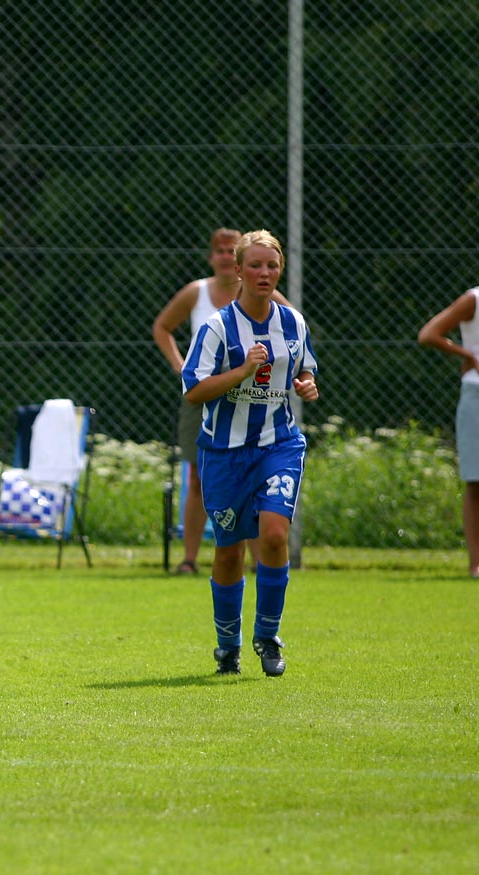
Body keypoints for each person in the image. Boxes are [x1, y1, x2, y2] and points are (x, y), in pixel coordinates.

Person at [182, 230, 319, 677]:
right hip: (224, 453)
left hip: (278, 444)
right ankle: (228, 645)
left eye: (272, 266)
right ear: (237, 270)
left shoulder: (293, 323)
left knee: (275, 536)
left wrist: (306, 385)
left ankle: (268, 635)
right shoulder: (217, 328)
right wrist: (243, 371)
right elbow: (194, 391)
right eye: (255, 265)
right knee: (228, 552)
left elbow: (305, 370)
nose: (264, 273)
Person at [152, 228, 289, 574]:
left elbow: (292, 331)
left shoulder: (265, 293)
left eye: (232, 251)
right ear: (212, 257)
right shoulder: (196, 293)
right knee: (197, 476)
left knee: (255, 476)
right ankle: (189, 558)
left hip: (251, 398)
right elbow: (162, 327)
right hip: (207, 396)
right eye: (221, 251)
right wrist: (181, 367)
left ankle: (260, 560)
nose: (227, 257)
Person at [416, 286, 479, 578]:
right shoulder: (473, 300)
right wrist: (468, 354)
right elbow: (429, 334)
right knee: (475, 480)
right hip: (475, 394)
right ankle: (476, 564)